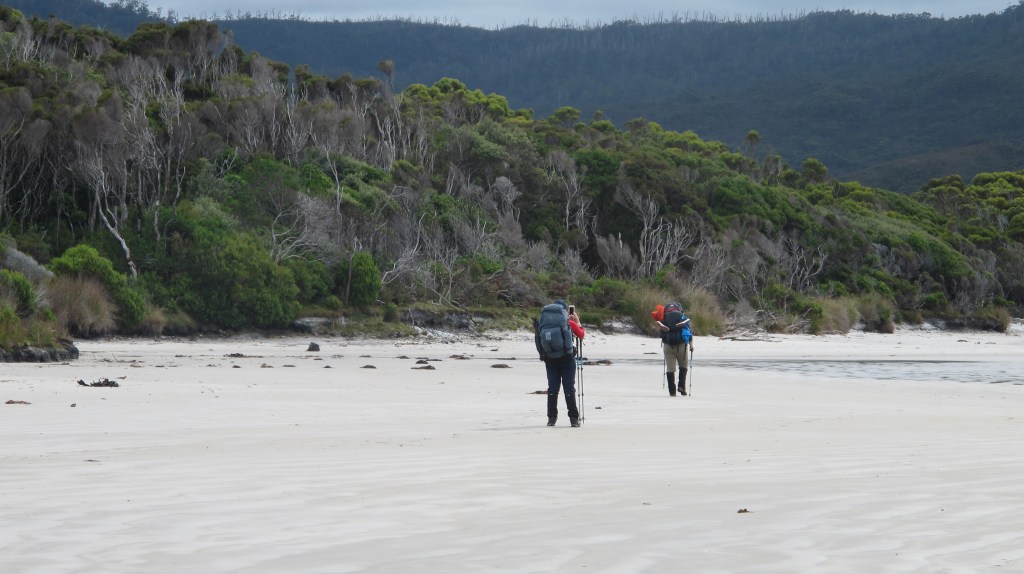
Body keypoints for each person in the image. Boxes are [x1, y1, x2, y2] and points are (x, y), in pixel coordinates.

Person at [535, 299, 585, 427]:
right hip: (567, 359)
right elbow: (581, 334)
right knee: (569, 388)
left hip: (550, 360)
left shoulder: (543, 323)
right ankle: (573, 418)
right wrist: (577, 322)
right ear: (564, 311)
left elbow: (539, 340)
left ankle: (551, 418)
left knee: (553, 388)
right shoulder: (568, 323)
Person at [656, 301, 694, 396]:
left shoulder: (664, 318)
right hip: (681, 345)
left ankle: (672, 391)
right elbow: (689, 333)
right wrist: (691, 346)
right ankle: (681, 387)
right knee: (683, 366)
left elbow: (661, 335)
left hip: (668, 346)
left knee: (670, 368)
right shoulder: (682, 317)